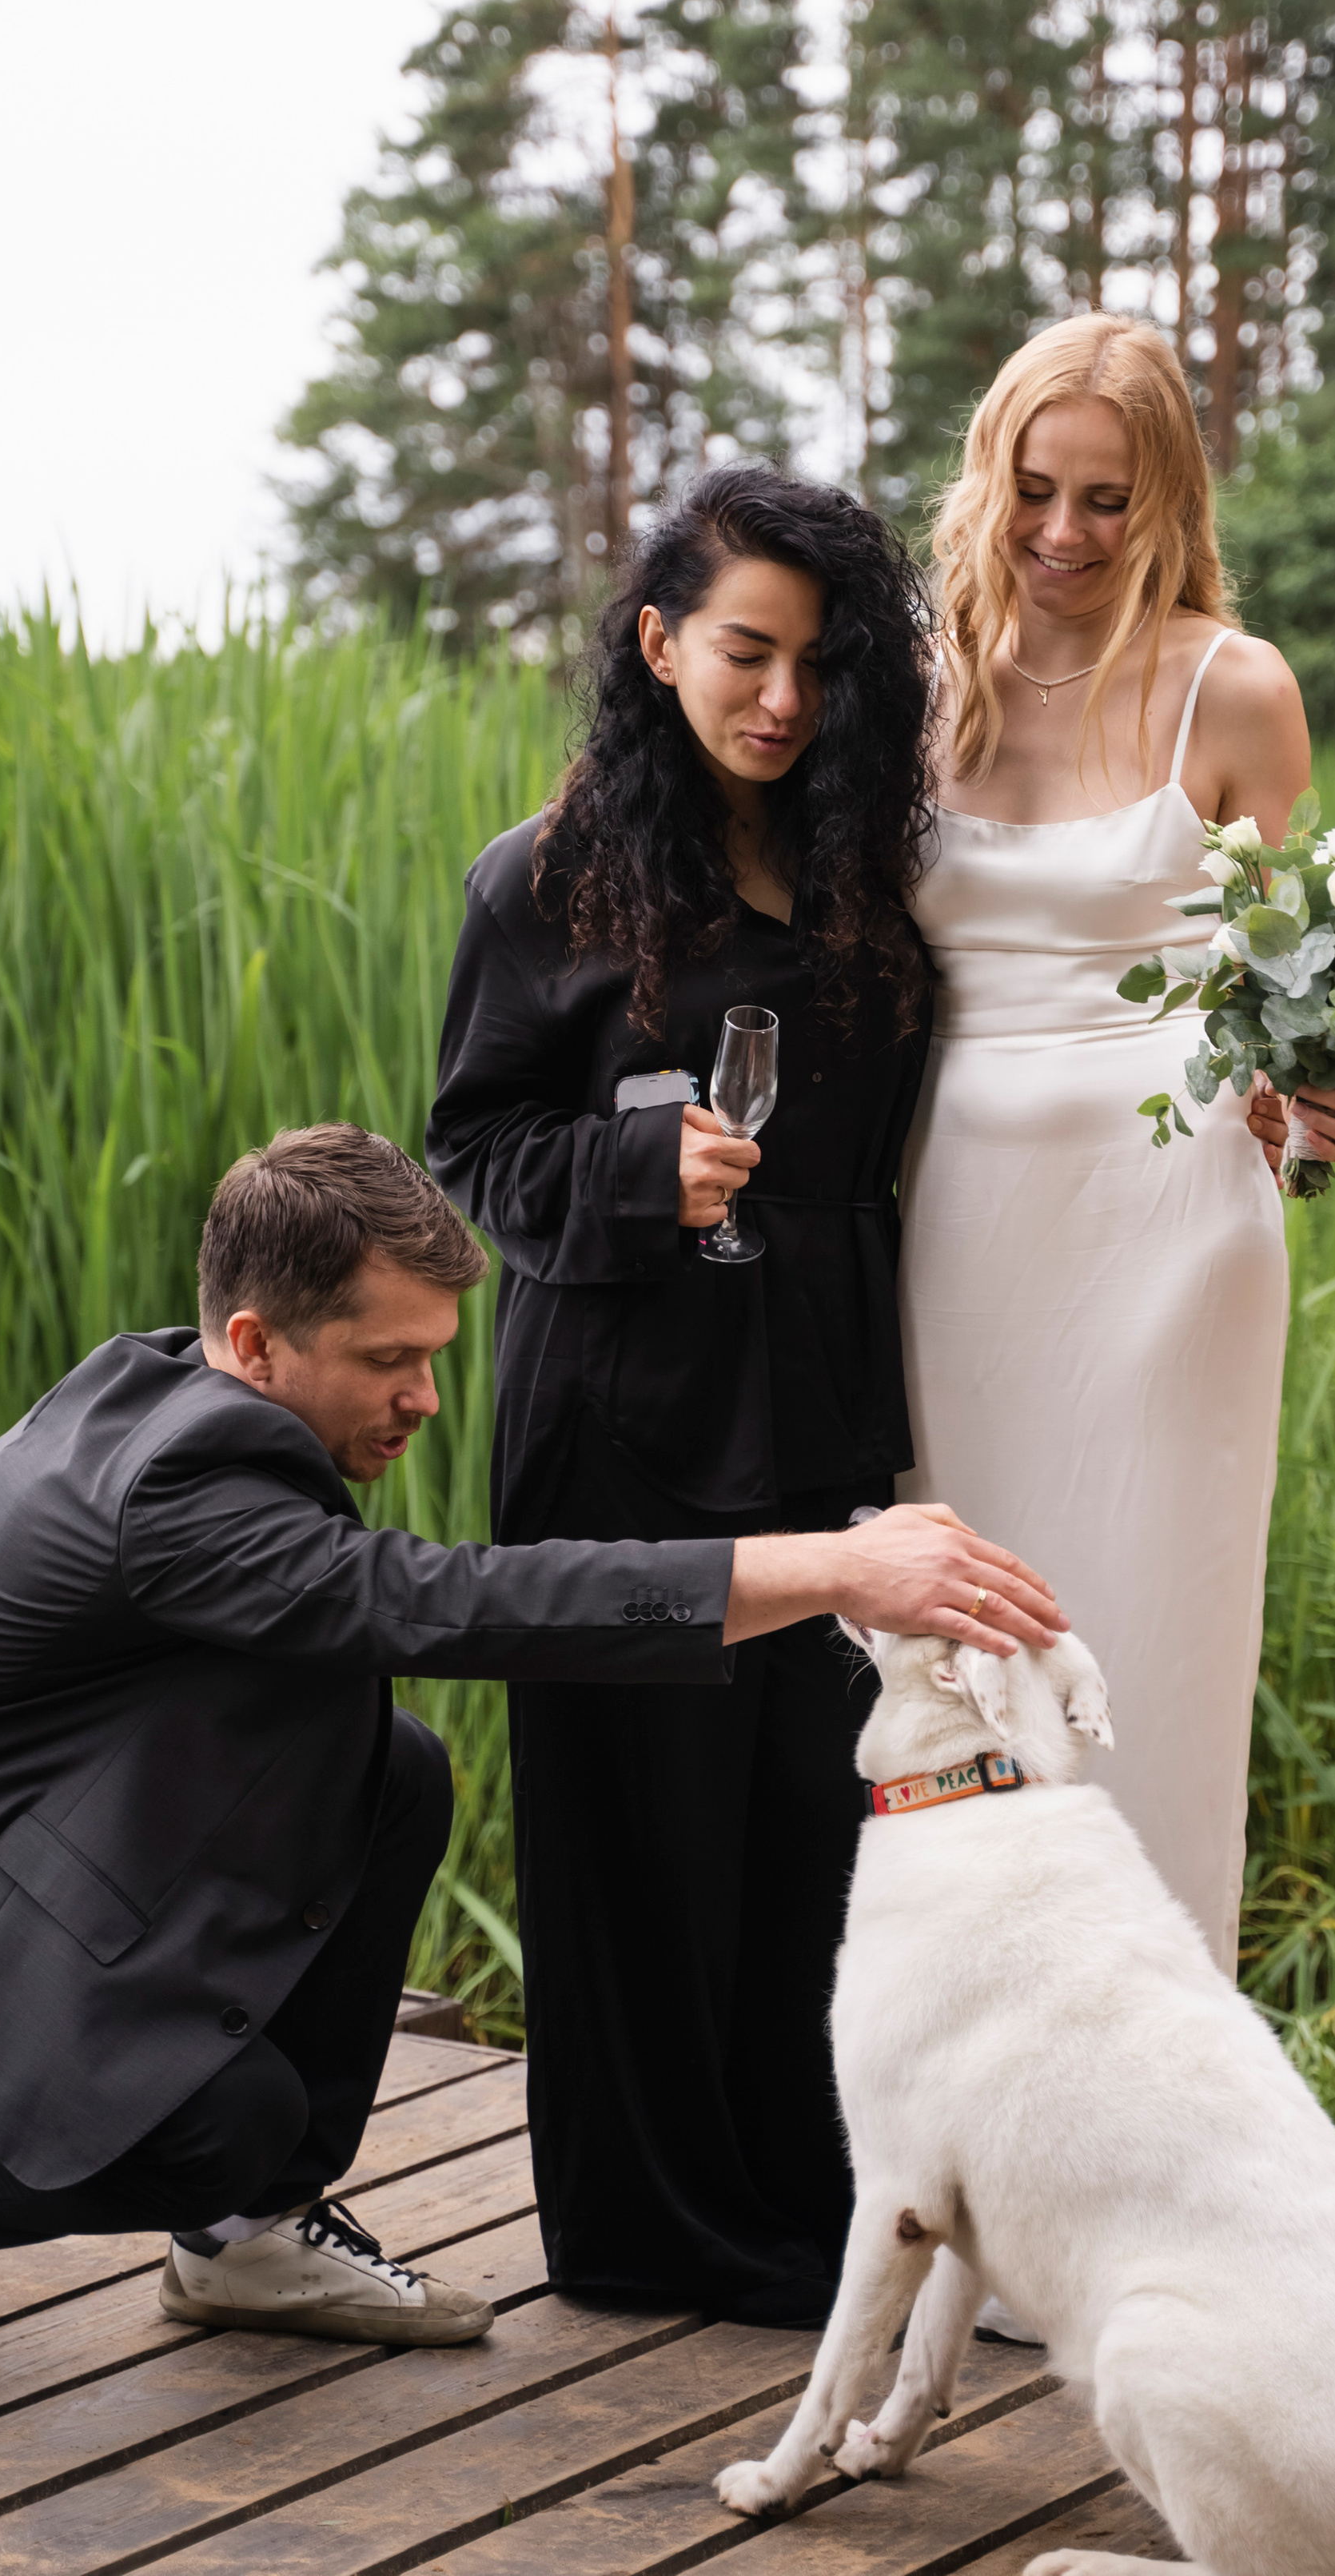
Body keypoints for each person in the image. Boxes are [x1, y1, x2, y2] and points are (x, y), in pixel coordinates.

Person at [0, 1121, 1061, 2419]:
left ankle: (244, 2239)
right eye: (386, 1358)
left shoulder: (189, 1401)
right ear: (253, 1341)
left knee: (386, 1766)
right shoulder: (180, 1490)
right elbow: (447, 1604)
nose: (423, 1395)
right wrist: (832, 1565)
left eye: (435, 1353)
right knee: (211, 2120)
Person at [427, 465, 935, 2327]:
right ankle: (652, 2238)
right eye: (743, 652)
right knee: (638, 1828)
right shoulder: (547, 876)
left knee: (805, 1822)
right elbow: (473, 1149)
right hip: (620, 1406)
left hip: (810, 1396)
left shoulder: (860, 866)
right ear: (656, 646)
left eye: (814, 662)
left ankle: (805, 2211)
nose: (780, 699)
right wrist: (637, 1180)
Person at [898, 313, 1335, 1985]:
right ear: (989, 481)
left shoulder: (1229, 690)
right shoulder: (918, 675)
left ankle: (1152, 2100)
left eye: (1106, 500)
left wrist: (1314, 1124)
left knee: (1150, 1653)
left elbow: (1291, 1012)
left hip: (1175, 1231)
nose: (1062, 537)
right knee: (960, 1657)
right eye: (1033, 490)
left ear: (1164, 499)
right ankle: (955, 2101)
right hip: (955, 1224)